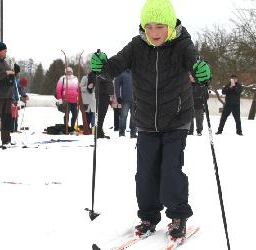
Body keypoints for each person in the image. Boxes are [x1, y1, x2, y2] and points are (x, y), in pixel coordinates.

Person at [89, 0, 211, 239]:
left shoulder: (183, 45)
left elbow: (195, 64)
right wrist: (101, 66)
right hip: (145, 120)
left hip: (176, 119)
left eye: (160, 26)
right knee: (145, 172)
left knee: (170, 170)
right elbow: (114, 66)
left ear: (171, 25)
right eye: (149, 27)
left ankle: (178, 215)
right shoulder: (136, 46)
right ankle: (148, 215)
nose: (154, 33)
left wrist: (201, 70)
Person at [87, 70, 114, 138]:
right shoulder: (92, 74)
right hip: (99, 95)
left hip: (106, 95)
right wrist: (89, 87)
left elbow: (110, 83)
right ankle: (98, 132)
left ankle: (99, 131)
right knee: (99, 115)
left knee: (102, 115)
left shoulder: (107, 72)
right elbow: (90, 86)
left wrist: (111, 95)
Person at [55, 67, 79, 133]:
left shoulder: (75, 78)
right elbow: (58, 89)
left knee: (75, 114)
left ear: (72, 72)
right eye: (67, 71)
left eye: (70, 71)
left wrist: (79, 97)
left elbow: (78, 89)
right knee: (67, 114)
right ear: (65, 72)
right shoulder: (62, 78)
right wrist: (60, 99)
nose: (69, 72)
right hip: (66, 100)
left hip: (74, 100)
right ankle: (66, 127)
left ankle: (72, 127)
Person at [114, 69, 137, 138]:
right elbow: (117, 85)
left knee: (134, 117)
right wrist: (118, 96)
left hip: (135, 99)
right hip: (125, 99)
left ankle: (133, 133)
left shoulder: (136, 73)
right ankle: (121, 133)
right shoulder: (121, 73)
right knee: (123, 116)